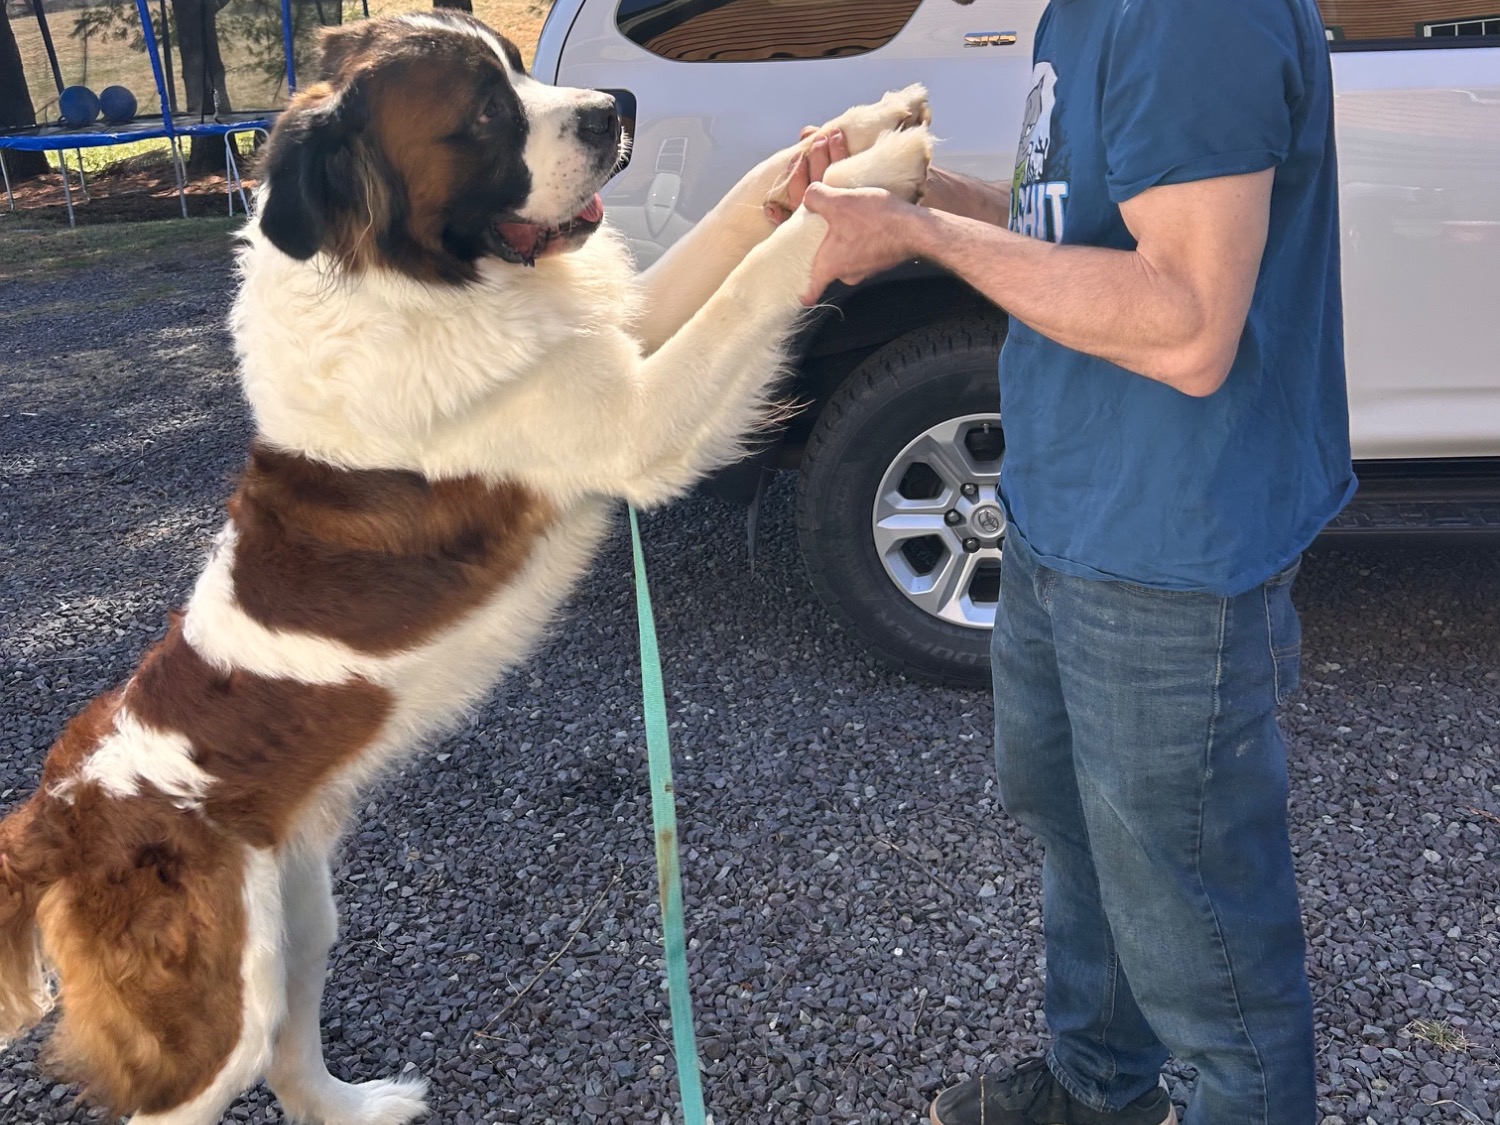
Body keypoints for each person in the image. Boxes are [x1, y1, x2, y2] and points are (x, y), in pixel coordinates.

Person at [773, 1, 1354, 1122]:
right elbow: (1085, 243)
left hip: (1172, 542)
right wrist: (923, 197)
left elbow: (1187, 324)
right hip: (1064, 504)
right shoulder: (1085, 12)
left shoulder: (1191, 19)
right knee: (1081, 834)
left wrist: (922, 241)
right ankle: (1096, 1092)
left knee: (1200, 930)